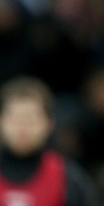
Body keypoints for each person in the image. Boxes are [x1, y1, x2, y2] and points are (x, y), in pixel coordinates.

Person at [0, 76, 97, 206]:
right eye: (15, 118)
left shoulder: (68, 178)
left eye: (31, 119)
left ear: (49, 123)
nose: (22, 128)